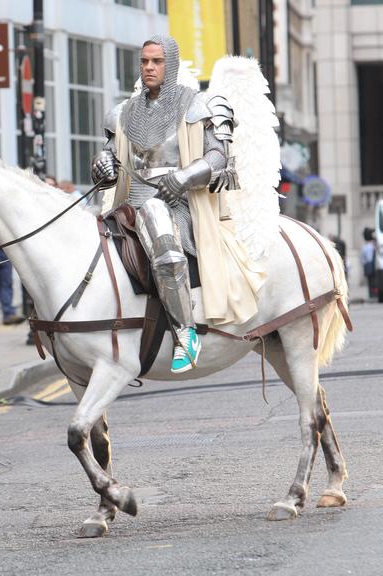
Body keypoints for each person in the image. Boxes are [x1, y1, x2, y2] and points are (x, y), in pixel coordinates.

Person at [91, 34, 235, 373]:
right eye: (144, 61)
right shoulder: (124, 113)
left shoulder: (195, 104)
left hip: (180, 205)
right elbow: (110, 158)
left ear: (170, 65)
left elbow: (219, 156)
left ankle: (186, 333)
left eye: (156, 61)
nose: (149, 67)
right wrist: (102, 163)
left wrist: (184, 177)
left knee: (156, 214)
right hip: (130, 204)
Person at [360, 227, 376, 299]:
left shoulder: (364, 247)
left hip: (367, 265)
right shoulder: (372, 246)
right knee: (372, 280)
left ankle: (372, 293)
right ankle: (373, 293)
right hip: (371, 264)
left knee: (370, 280)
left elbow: (362, 259)